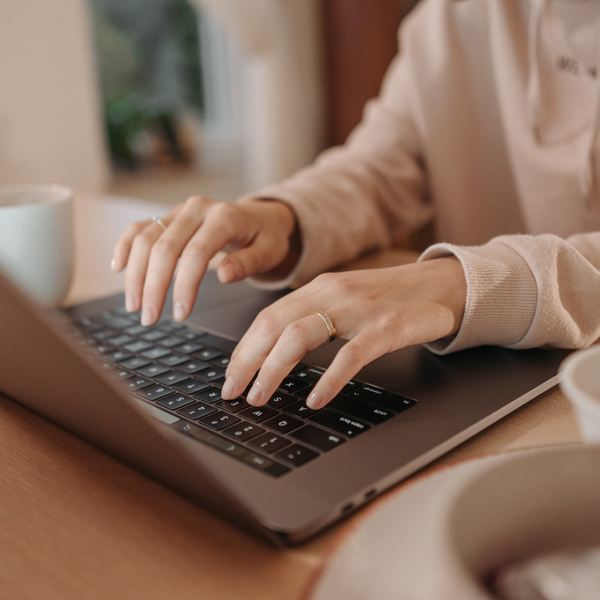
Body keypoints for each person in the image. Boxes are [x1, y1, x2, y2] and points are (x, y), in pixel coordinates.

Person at [112, 0, 600, 413]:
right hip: (484, 376)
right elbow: (378, 168)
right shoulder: (448, 19)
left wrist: (460, 283)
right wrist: (283, 216)